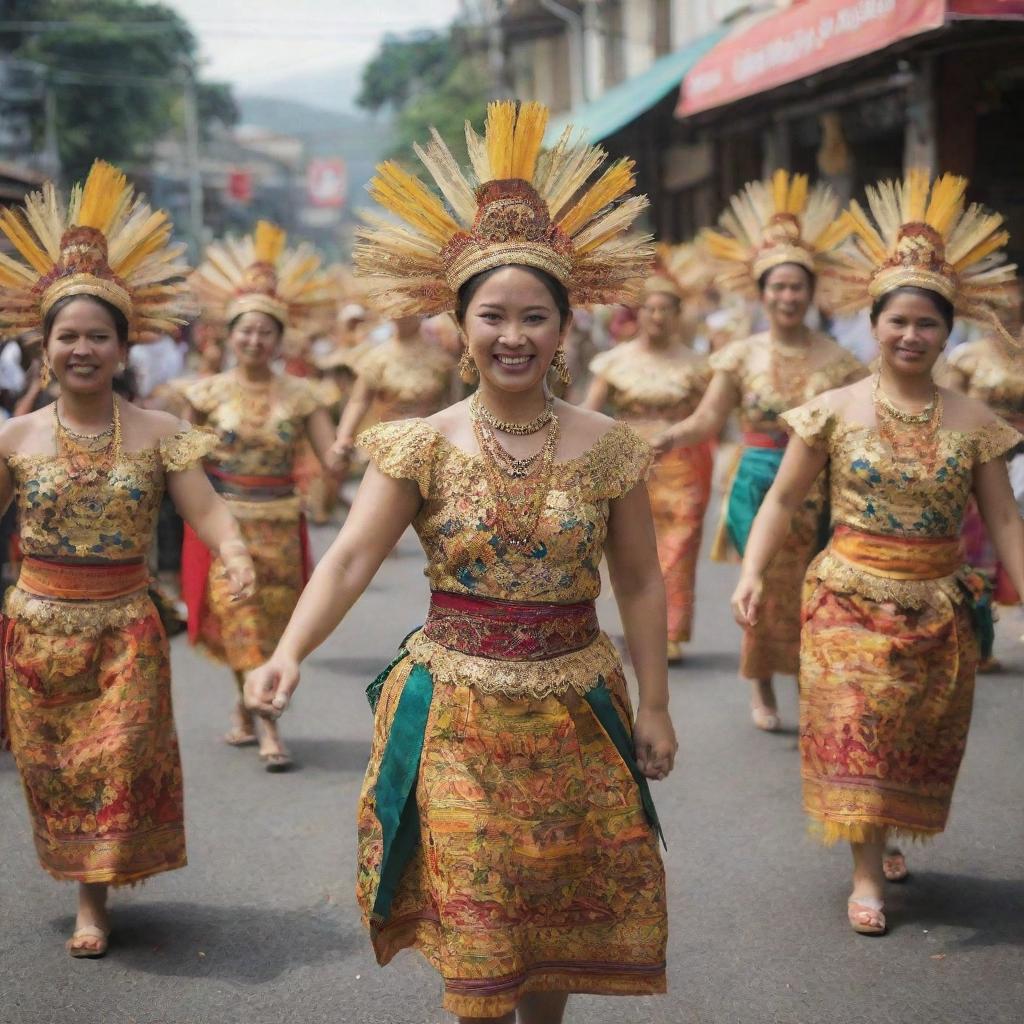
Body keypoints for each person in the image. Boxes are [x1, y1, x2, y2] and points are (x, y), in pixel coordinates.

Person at [245, 100, 674, 1023]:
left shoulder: (609, 447)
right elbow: (352, 559)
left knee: (551, 906)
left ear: (566, 328)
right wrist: (289, 652)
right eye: (492, 316)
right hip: (456, 715)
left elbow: (639, 580)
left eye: (533, 316)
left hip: (576, 708)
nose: (511, 335)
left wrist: (660, 705)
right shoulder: (421, 446)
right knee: (481, 917)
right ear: (459, 325)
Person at [732, 171, 1023, 936]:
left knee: (911, 734)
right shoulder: (831, 410)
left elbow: (1004, 520)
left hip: (937, 606)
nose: (911, 336)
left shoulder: (974, 420)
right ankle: (866, 871)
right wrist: (755, 572)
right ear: (876, 323)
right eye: (898, 321)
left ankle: (884, 833)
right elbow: (785, 501)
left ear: (946, 332)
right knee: (857, 720)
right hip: (844, 600)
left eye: (928, 323)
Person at [0, 161, 255, 957]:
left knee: (116, 757)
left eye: (97, 336)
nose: (82, 348)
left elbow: (205, 507)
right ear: (45, 348)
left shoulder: (157, 431)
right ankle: (84, 880)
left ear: (122, 347)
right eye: (67, 336)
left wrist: (237, 551)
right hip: (37, 631)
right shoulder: (15, 438)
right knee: (58, 772)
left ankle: (94, 901)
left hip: (126, 629)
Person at [654, 171, 867, 729]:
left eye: (797, 286)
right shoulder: (741, 355)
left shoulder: (841, 362)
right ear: (762, 291)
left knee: (820, 588)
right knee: (765, 587)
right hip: (756, 482)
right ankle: (762, 685)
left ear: (811, 291)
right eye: (777, 286)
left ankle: (811, 681)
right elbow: (707, 419)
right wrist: (667, 438)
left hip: (823, 491)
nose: (788, 296)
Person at [182, 221, 338, 771]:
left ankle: (245, 705)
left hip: (281, 526)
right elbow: (185, 467)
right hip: (226, 525)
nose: (254, 341)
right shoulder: (203, 395)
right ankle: (270, 726)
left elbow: (330, 456)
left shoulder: (303, 396)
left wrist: (351, 456)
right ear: (229, 334)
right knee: (239, 619)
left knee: (270, 628)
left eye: (265, 332)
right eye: (245, 331)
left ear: (279, 338)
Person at [583, 270, 712, 662]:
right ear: (639, 315)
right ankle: (635, 626)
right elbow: (589, 412)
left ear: (677, 315)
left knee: (678, 546)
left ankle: (670, 632)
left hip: (681, 466)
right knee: (628, 548)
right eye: (650, 309)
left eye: (665, 309)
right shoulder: (613, 362)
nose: (657, 316)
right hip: (625, 465)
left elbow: (710, 415)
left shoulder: (698, 365)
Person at [945, 299, 1024, 666]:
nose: (1007, 313)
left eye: (1014, 304)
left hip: (1021, 463)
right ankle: (977, 639)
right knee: (976, 557)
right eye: (997, 305)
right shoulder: (966, 357)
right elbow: (947, 413)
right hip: (976, 466)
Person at [330, 312, 458, 468]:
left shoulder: (440, 357)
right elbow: (358, 401)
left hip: (433, 447)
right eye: (396, 311)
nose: (402, 316)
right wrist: (343, 437)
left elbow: (454, 404)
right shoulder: (376, 358)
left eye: (407, 310)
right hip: (390, 447)